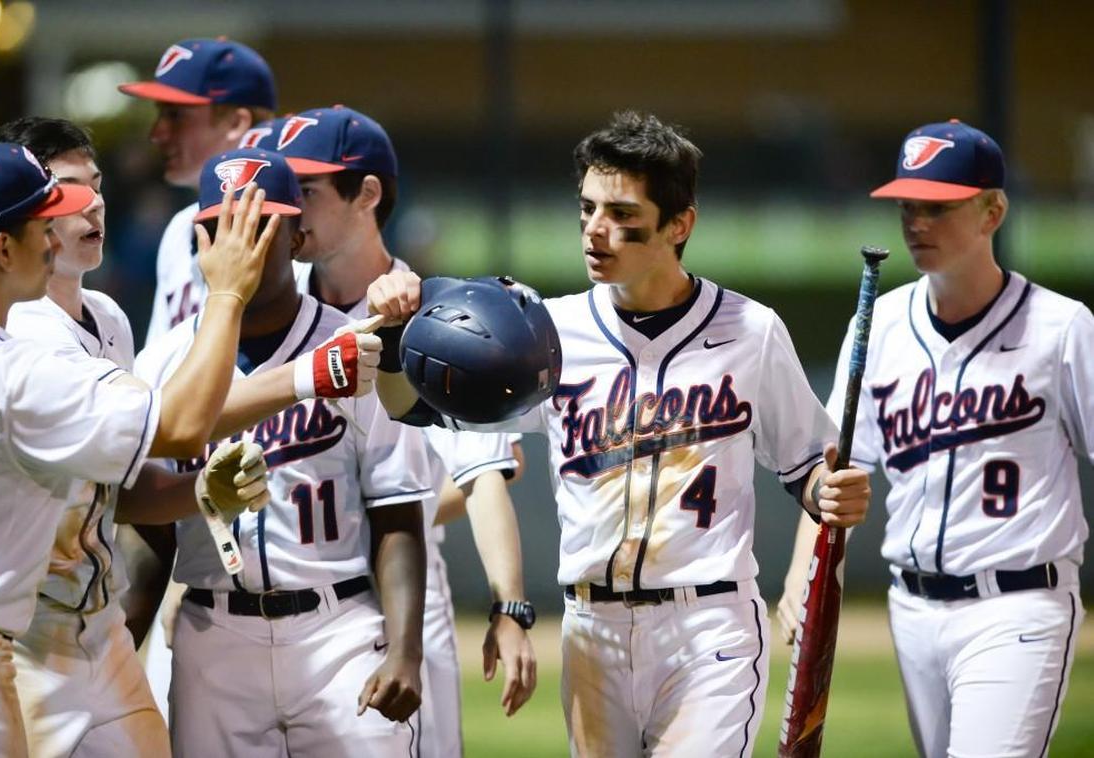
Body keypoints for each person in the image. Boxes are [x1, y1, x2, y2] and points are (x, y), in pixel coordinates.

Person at [367, 110, 872, 756]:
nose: (595, 231)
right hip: (590, 631)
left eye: (622, 215)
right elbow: (408, 406)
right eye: (587, 209)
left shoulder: (750, 331)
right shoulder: (546, 332)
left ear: (679, 224)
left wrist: (834, 499)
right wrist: (389, 342)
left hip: (707, 625)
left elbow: (811, 470)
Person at [779, 119, 1091, 757]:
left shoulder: (1061, 328)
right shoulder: (881, 324)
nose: (917, 221)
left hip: (1020, 605)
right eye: (908, 205)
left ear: (992, 210)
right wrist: (800, 577)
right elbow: (834, 475)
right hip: (913, 609)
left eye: (939, 206)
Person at [0, 141, 277, 756]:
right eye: (39, 224)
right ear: (1, 249)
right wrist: (229, 294)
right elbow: (181, 425)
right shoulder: (9, 372)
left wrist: (194, 491)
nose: (54, 238)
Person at [134, 148, 433, 756]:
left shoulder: (355, 347)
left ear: (299, 237)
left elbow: (396, 509)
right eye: (221, 226)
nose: (239, 240)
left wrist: (405, 651)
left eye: (260, 222)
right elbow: (147, 532)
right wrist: (117, 652)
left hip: (341, 629)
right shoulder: (162, 363)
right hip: (212, 632)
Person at [276, 105, 536, 752]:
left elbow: (484, 477)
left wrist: (509, 605)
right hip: (280, 605)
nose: (289, 207)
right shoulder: (268, 315)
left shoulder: (443, 315)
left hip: (405, 602)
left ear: (367, 194)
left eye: (305, 190)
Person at [118, 37, 277, 345]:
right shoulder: (179, 229)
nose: (157, 133)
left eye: (175, 115)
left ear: (236, 122)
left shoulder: (287, 232)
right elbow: (156, 369)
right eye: (160, 114)